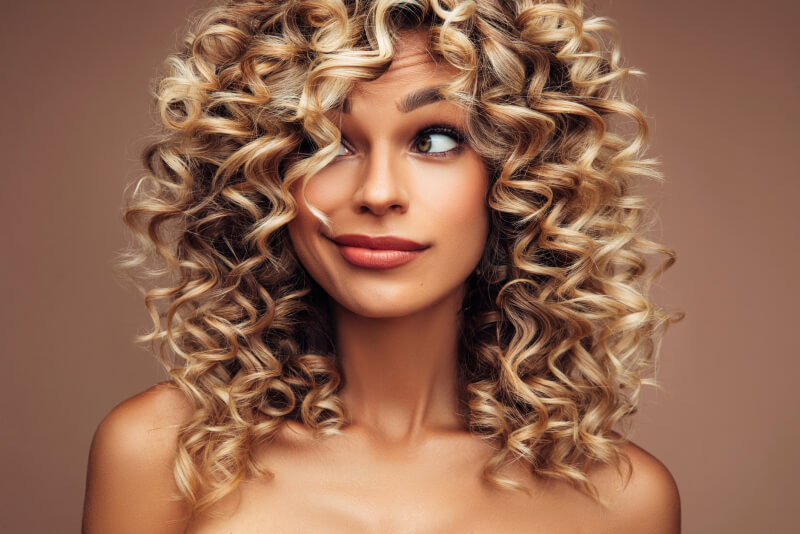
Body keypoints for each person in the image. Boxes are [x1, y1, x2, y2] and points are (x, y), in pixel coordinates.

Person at [83, 0, 682, 532]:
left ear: (517, 180)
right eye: (326, 142)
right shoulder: (162, 452)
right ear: (264, 179)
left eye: (436, 141)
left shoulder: (624, 503)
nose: (377, 192)